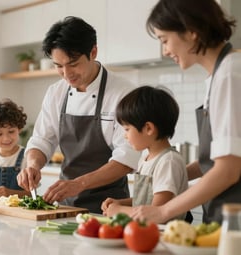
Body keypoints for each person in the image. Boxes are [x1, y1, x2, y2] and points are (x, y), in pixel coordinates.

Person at [131, 0, 241, 224]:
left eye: (165, 40)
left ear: (191, 31)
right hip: (224, 214)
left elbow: (228, 169)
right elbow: (212, 160)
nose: (165, 50)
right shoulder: (218, 76)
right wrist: (170, 173)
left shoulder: (230, 74)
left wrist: (163, 211)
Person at [17, 16, 140, 213]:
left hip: (111, 208)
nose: (67, 73)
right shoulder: (56, 92)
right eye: (58, 65)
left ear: (93, 52)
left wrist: (79, 184)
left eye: (73, 63)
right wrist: (32, 165)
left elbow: (126, 158)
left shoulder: (124, 93)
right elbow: (42, 140)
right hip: (65, 206)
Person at [101, 86, 188, 221]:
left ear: (148, 128)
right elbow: (146, 199)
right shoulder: (146, 158)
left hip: (162, 236)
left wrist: (120, 211)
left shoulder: (168, 161)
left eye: (127, 129)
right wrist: (120, 203)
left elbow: (157, 211)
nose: (125, 136)